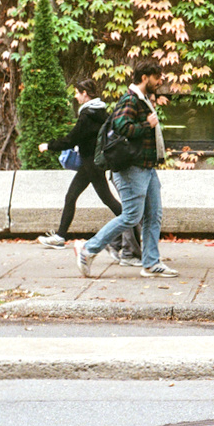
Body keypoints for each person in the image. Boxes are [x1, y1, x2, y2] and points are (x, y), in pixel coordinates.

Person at [73, 59, 177, 278]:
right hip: (132, 169)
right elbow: (122, 127)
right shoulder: (130, 99)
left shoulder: (142, 100)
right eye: (156, 77)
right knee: (131, 216)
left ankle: (150, 263)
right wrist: (146, 124)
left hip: (146, 168)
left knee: (153, 215)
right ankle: (88, 250)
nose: (159, 82)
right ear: (144, 77)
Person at [35, 79, 141, 265]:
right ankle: (60, 236)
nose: (75, 96)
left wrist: (48, 145)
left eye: (77, 93)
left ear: (85, 93)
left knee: (109, 201)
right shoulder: (100, 111)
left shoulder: (87, 116)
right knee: (71, 196)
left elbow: (71, 139)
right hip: (90, 163)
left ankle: (133, 236)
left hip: (92, 164)